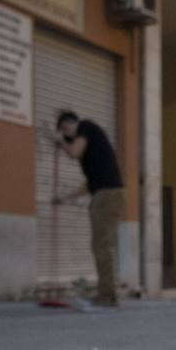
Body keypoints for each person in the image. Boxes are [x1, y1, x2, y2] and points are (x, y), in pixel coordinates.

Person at [53, 110, 124, 306]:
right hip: (104, 194)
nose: (67, 138)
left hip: (107, 195)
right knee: (100, 245)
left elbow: (74, 152)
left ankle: (108, 297)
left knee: (102, 245)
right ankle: (106, 293)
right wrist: (64, 198)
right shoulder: (92, 153)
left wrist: (60, 142)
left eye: (65, 133)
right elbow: (90, 183)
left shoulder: (85, 126)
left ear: (66, 127)